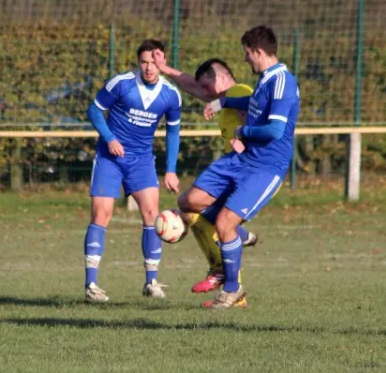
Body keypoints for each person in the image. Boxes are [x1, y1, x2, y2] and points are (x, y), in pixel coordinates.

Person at [178, 25, 300, 309]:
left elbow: (275, 131)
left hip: (265, 167)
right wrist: (223, 101)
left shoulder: (283, 82)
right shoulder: (266, 80)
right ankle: (239, 236)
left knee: (223, 224)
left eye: (247, 54)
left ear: (259, 51)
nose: (245, 59)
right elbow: (254, 103)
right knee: (188, 201)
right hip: (241, 160)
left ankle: (232, 290)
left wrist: (243, 133)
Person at [151, 55, 258, 304]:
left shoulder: (240, 91)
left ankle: (226, 266)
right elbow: (190, 84)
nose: (204, 92)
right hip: (238, 168)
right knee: (192, 210)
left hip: (249, 171)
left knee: (197, 209)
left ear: (220, 77)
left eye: (207, 86)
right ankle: (235, 256)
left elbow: (258, 120)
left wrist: (246, 140)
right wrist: (164, 68)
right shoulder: (223, 99)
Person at [83, 39, 182, 302]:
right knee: (101, 215)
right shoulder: (122, 83)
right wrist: (109, 138)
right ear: (138, 63)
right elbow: (94, 110)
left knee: (152, 214)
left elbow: (173, 132)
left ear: (161, 63)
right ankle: (91, 285)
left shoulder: (171, 95)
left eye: (153, 62)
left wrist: (170, 170)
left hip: (141, 161)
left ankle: (151, 282)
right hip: (109, 159)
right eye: (144, 62)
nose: (149, 68)